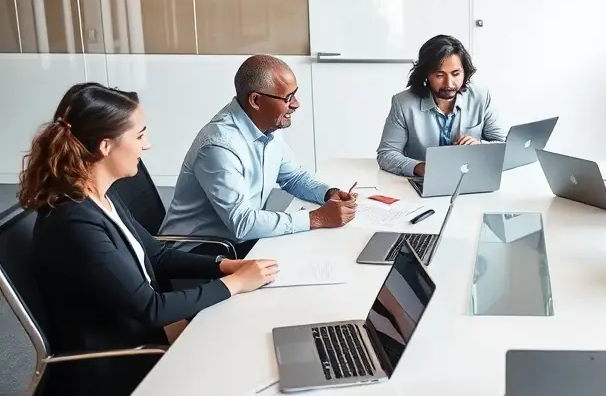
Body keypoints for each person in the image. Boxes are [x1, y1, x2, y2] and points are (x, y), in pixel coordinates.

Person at [20, 83, 279, 396]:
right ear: (105, 146)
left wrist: (223, 266)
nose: (148, 144)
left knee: (255, 339)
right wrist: (234, 284)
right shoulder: (74, 221)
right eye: (140, 134)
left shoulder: (98, 196)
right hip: (121, 364)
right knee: (251, 365)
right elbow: (151, 308)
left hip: (143, 335)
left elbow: (155, 254)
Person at [160, 55, 357, 256]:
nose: (296, 104)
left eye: (295, 94)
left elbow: (293, 177)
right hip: (197, 252)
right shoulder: (219, 146)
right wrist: (316, 218)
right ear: (256, 100)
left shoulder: (268, 126)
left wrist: (328, 193)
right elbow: (242, 223)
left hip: (239, 240)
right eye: (288, 98)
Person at [377, 35, 506, 177]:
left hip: (471, 179)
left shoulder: (481, 98)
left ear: (465, 72)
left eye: (456, 74)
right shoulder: (403, 103)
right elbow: (386, 154)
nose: (449, 84)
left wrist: (479, 147)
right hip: (423, 183)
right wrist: (421, 168)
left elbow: (505, 146)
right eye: (439, 75)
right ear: (426, 75)